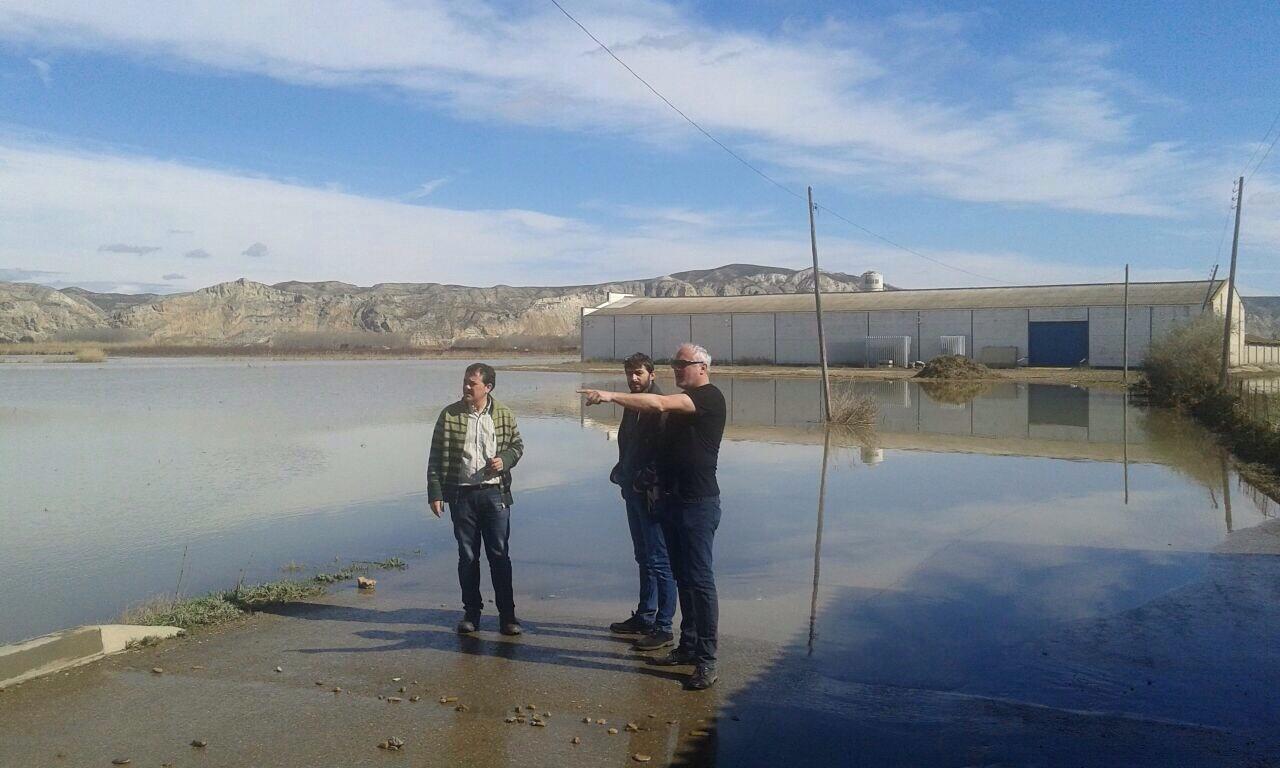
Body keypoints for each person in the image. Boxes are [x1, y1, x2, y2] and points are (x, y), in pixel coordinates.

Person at [579, 343, 726, 690]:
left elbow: (657, 402)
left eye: (682, 363)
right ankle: (687, 647)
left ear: (702, 367)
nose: (677, 368)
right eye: (674, 363)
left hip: (699, 504)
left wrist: (609, 396)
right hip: (672, 502)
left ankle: (706, 660)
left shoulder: (709, 397)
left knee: (700, 582)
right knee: (682, 578)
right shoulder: (682, 403)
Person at [428, 362, 525, 636]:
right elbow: (435, 457)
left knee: (499, 555)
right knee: (468, 556)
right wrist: (435, 493)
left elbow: (518, 446)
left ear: (488, 387)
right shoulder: (449, 415)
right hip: (462, 495)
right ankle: (472, 614)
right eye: (465, 382)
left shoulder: (504, 414)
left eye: (473, 383)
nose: (466, 387)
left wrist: (504, 460)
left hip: (495, 495)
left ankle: (508, 616)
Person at [606, 353, 677, 652]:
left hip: (652, 495)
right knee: (643, 556)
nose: (633, 379)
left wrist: (641, 480)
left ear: (652, 374)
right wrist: (622, 473)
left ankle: (664, 627)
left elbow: (664, 454)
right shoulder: (632, 404)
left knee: (660, 560)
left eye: (638, 373)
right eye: (629, 374)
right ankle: (645, 616)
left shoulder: (659, 405)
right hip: (633, 490)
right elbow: (628, 444)